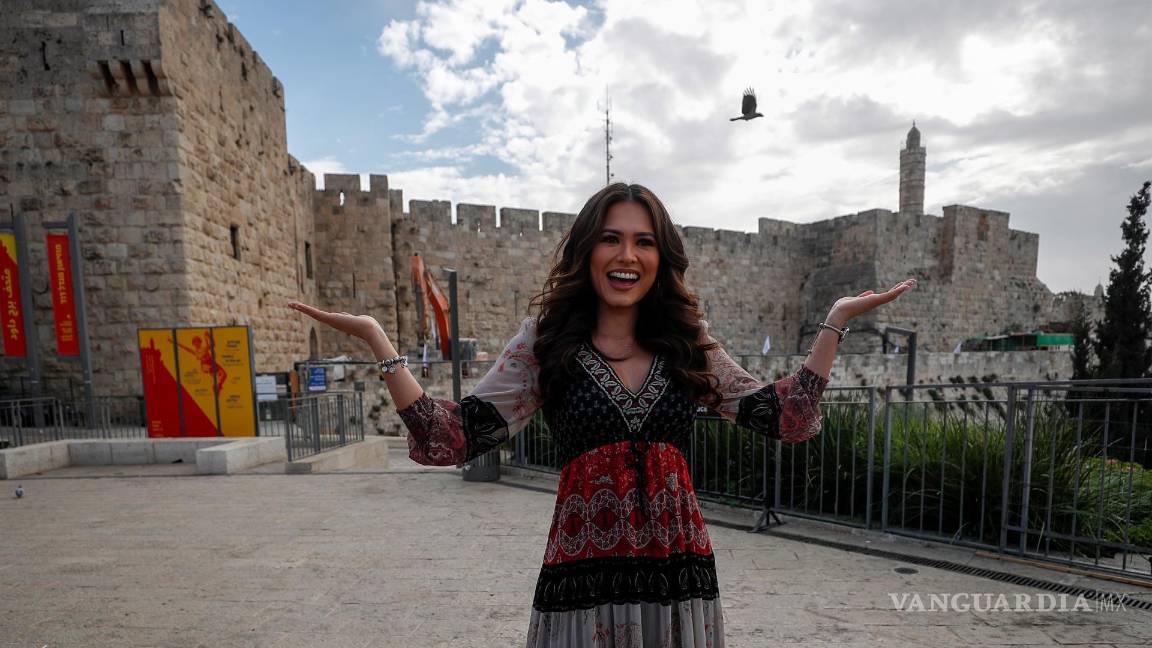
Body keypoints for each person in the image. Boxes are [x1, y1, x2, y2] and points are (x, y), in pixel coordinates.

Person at [288, 182, 916, 647]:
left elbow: (786, 418)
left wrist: (834, 322)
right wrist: (378, 339)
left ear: (660, 257)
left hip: (677, 579)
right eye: (611, 237)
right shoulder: (547, 342)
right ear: (589, 251)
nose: (627, 254)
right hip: (582, 583)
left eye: (644, 241)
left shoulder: (686, 343)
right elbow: (449, 437)